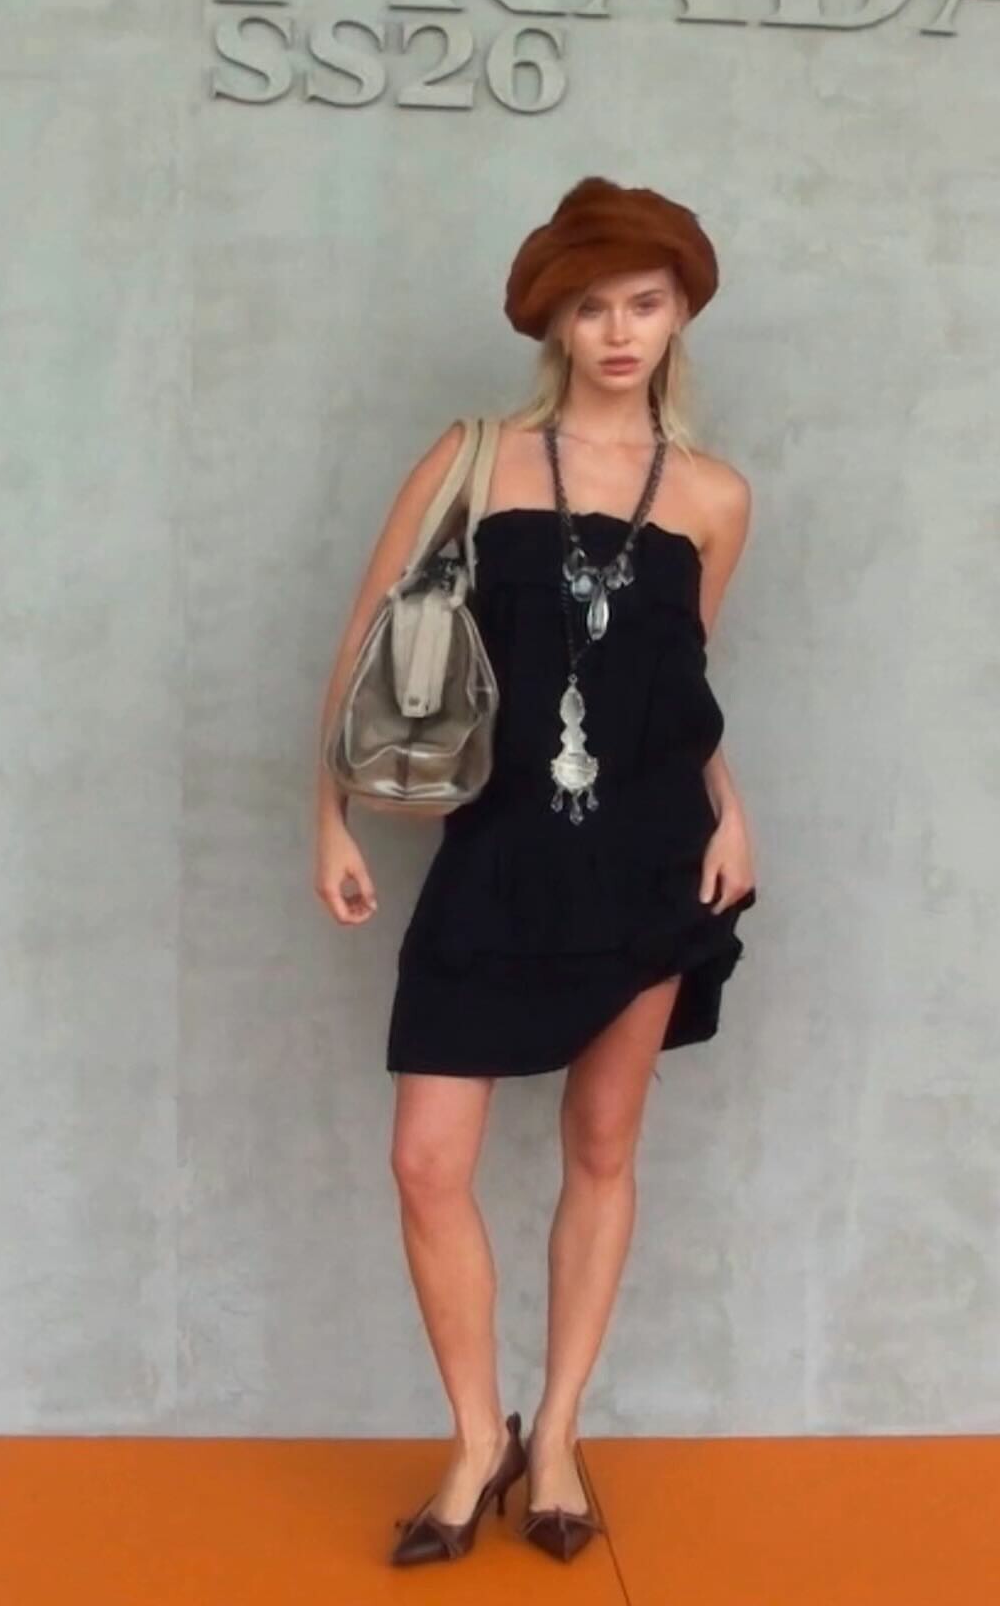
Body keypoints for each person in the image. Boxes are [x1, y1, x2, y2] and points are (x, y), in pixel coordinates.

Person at [312, 176, 758, 1566]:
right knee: (425, 1160)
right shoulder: (475, 457)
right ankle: (475, 1437)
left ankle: (555, 1435)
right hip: (498, 852)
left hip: (649, 860)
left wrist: (729, 810)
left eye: (645, 304)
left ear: (679, 316)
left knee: (603, 1147)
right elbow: (368, 640)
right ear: (555, 323)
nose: (619, 332)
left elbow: (680, 687)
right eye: (592, 307)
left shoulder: (714, 497)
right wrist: (329, 812)